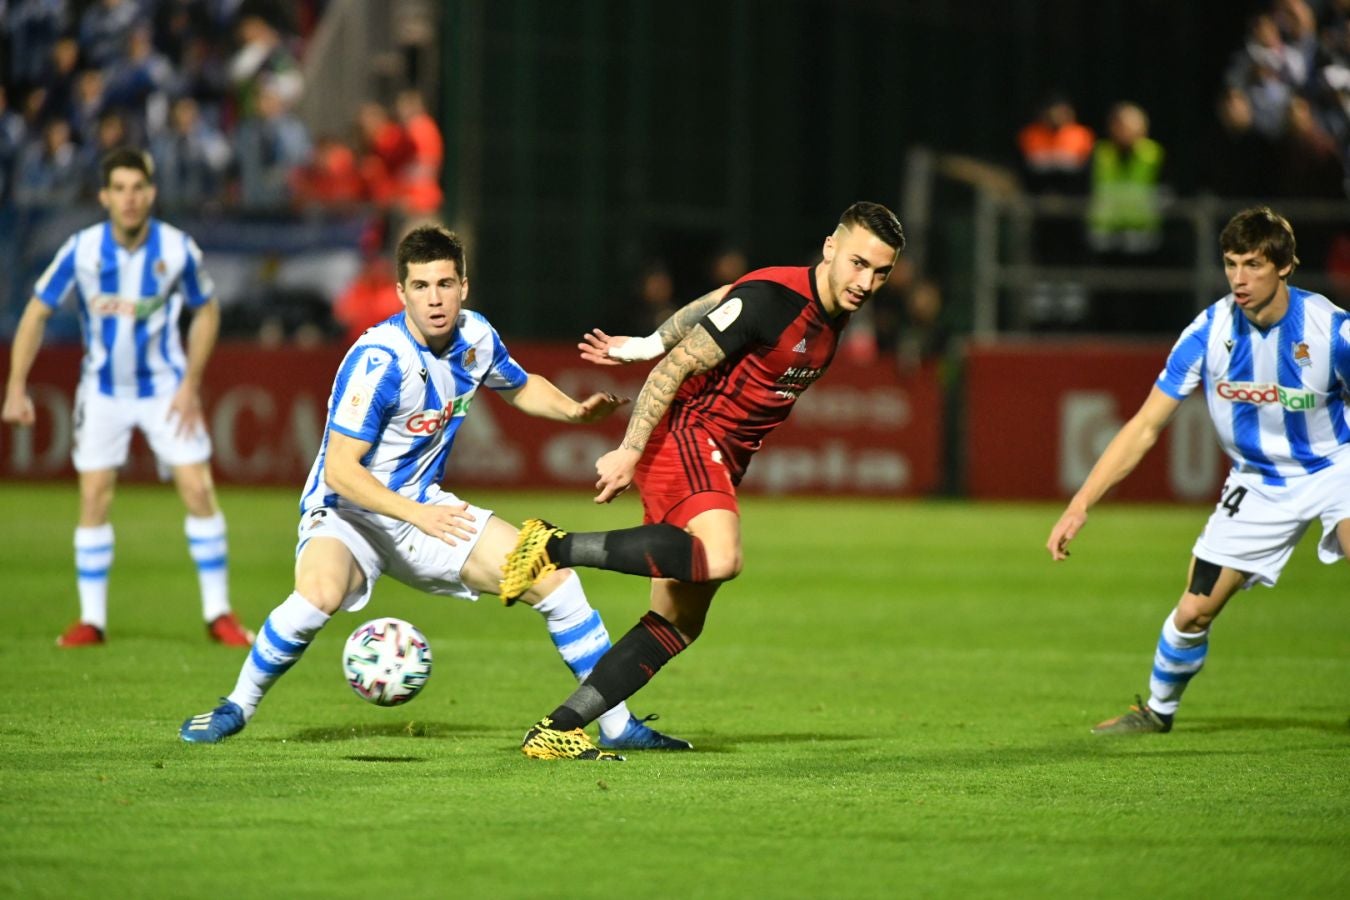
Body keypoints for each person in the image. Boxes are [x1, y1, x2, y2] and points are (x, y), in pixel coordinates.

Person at [179, 225, 689, 752]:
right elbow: (340, 471)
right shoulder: (379, 361)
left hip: (421, 507)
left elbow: (518, 385)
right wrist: (416, 515)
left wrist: (573, 411)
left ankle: (617, 725)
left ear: (464, 286)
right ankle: (236, 706)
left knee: (555, 581)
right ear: (400, 292)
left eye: (445, 284)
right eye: (420, 286)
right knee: (318, 596)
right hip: (348, 513)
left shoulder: (476, 337)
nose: (435, 299)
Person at [497, 201, 905, 760]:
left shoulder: (820, 307)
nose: (866, 282)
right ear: (831, 247)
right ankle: (551, 545)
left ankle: (559, 728)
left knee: (680, 619)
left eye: (880, 272)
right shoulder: (776, 301)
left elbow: (717, 300)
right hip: (689, 434)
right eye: (858, 263)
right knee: (721, 555)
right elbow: (677, 367)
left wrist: (646, 341)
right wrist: (629, 448)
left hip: (721, 455)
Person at [1047, 207, 1350, 735]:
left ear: (1284, 267)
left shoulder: (1332, 331)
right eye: (1231, 263)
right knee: (1193, 612)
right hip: (1256, 482)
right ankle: (1157, 712)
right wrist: (1081, 503)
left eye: (1253, 264)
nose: (1239, 278)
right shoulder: (1208, 333)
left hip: (1337, 467)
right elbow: (1143, 426)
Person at [2, 147, 252, 648]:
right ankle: (91, 621)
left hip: (165, 388)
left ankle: (218, 614)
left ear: (151, 193)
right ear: (104, 196)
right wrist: (14, 387)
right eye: (119, 189)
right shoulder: (83, 249)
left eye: (138, 188)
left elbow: (207, 312)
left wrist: (191, 384)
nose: (129, 199)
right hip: (103, 391)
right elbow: (35, 312)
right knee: (94, 497)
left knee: (198, 491)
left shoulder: (178, 249)